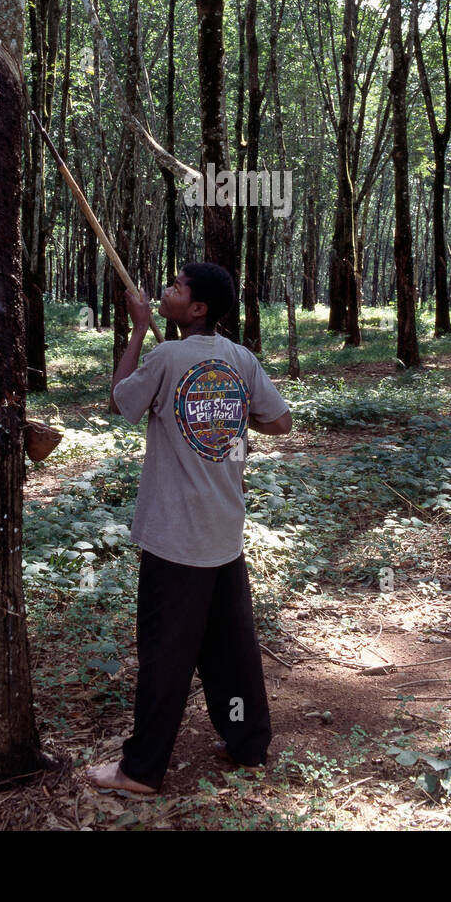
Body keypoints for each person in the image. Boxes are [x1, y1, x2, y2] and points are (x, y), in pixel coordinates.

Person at [84, 261, 293, 795]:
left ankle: (140, 770)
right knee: (231, 648)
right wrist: (229, 410)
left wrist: (135, 328)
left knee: (165, 654)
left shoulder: (166, 355)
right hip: (223, 531)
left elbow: (119, 401)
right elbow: (280, 420)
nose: (167, 290)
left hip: (175, 538)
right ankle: (248, 747)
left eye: (177, 288)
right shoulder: (240, 359)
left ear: (197, 308)